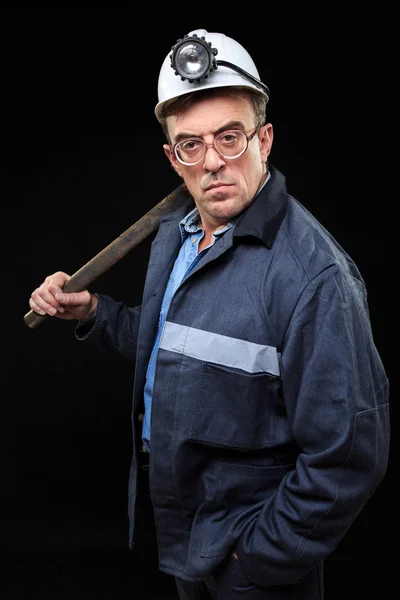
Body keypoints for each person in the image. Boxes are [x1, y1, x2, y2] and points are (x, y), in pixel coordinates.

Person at [28, 29, 390, 600]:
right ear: (173, 158)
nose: (213, 162)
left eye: (230, 137)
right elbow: (175, 348)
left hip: (252, 556)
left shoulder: (313, 276)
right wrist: (94, 310)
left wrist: (258, 557)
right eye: (191, 145)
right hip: (182, 531)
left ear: (264, 140)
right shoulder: (179, 235)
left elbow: (349, 455)